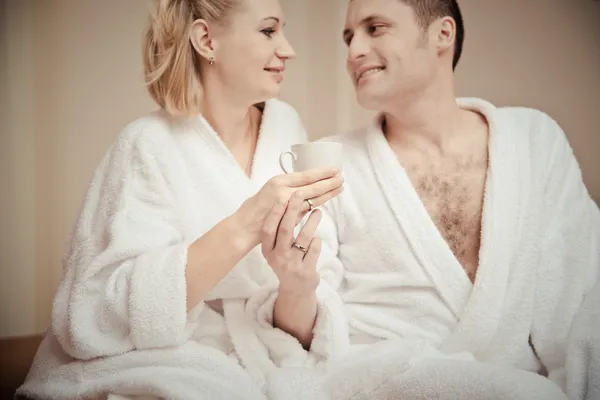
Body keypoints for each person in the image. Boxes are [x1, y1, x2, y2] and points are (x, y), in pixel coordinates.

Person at [16, 0, 346, 399]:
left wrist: (297, 286)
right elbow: (97, 317)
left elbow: (297, 321)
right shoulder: (145, 144)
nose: (288, 49)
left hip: (266, 355)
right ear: (206, 39)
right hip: (173, 360)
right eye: (268, 30)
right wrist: (246, 223)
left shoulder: (285, 124)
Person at [281, 0, 600, 399]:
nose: (353, 51)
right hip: (393, 385)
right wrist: (293, 285)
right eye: (348, 37)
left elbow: (582, 301)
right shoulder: (332, 162)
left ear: (442, 34)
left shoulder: (535, 141)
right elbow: (313, 334)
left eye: (375, 28)